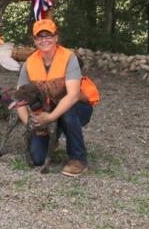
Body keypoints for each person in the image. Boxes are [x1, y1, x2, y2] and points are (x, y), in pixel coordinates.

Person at [16, 19, 94, 177]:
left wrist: (50, 117)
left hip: (76, 108)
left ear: (56, 37)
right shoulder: (29, 63)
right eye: (40, 37)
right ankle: (54, 138)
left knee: (67, 112)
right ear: (34, 40)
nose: (44, 40)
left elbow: (72, 95)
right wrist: (31, 124)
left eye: (48, 35)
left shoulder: (68, 58)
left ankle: (78, 159)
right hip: (48, 111)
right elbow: (20, 98)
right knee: (37, 158)